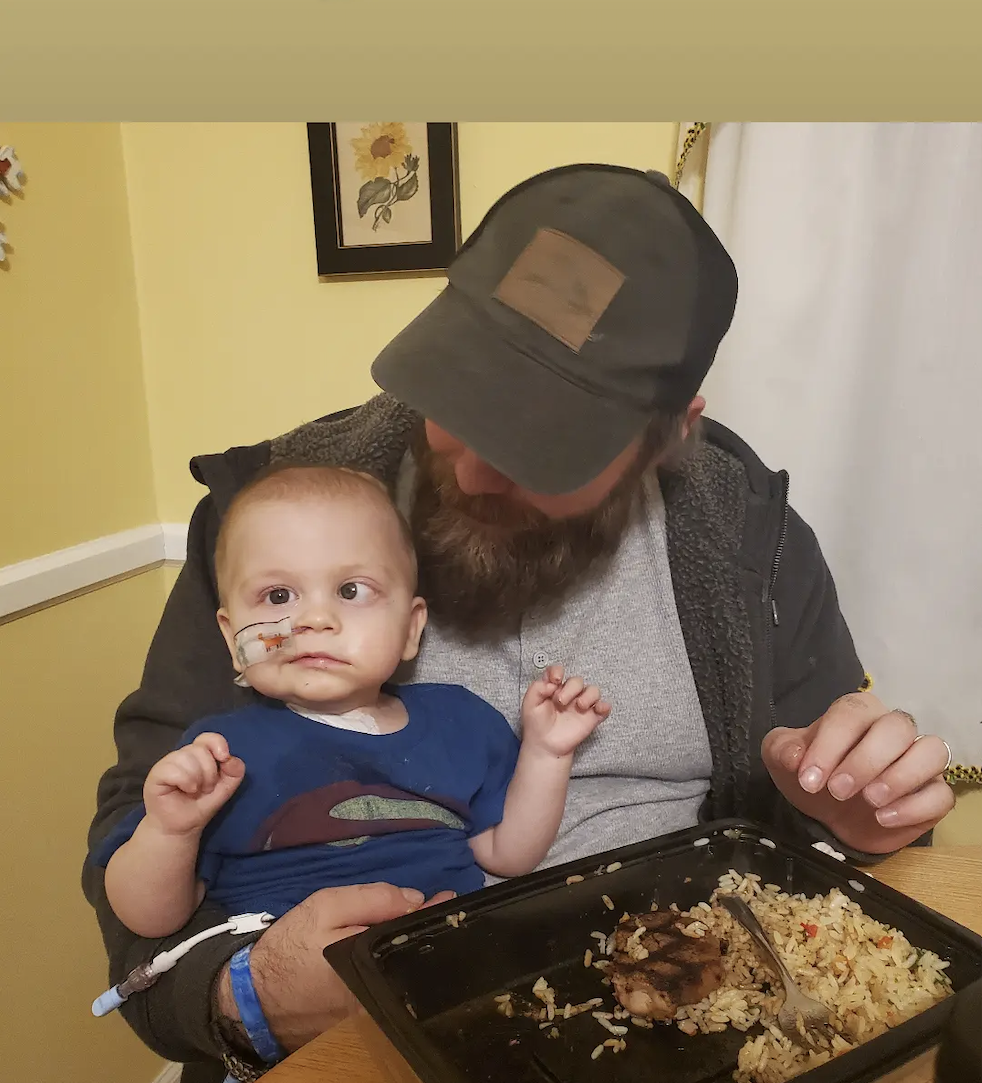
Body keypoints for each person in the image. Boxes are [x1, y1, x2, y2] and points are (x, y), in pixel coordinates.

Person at [83, 164, 955, 1083]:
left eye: (544, 442)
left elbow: (833, 841)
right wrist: (241, 997)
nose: (472, 473)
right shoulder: (269, 523)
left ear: (671, 433)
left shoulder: (751, 543)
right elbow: (138, 837)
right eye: (462, 406)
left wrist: (855, 821)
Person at [95, 463, 609, 939]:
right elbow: (150, 919)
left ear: (411, 630)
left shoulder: (462, 722)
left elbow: (507, 856)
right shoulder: (218, 755)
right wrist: (170, 831)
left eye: (351, 591)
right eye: (278, 597)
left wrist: (547, 753)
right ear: (233, 640)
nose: (313, 620)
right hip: (300, 993)